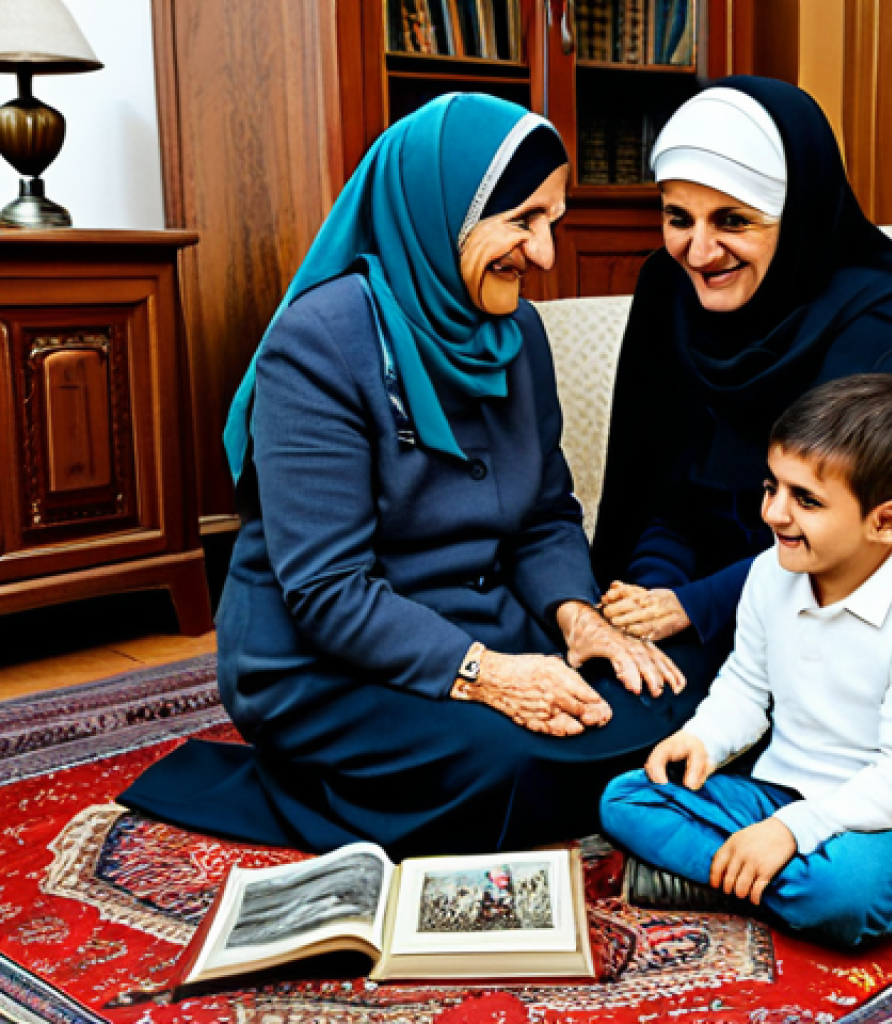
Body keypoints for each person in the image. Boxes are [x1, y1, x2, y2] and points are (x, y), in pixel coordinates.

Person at [119, 93, 692, 860]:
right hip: (323, 662)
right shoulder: (318, 343)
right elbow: (326, 589)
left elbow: (546, 514)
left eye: (552, 222)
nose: (547, 254)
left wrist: (577, 617)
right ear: (442, 210)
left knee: (679, 696)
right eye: (523, 221)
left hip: (488, 624)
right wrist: (488, 676)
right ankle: (331, 780)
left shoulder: (517, 330)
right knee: (514, 761)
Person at [592, 77, 892, 827]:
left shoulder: (890, 336)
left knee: (627, 745)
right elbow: (665, 483)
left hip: (866, 608)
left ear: (795, 215)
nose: (698, 250)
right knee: (605, 711)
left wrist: (690, 606)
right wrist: (648, 598)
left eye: (733, 219)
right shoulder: (670, 292)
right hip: (731, 595)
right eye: (676, 217)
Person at [601, 375, 892, 948]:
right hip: (778, 790)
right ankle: (755, 876)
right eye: (771, 486)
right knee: (625, 798)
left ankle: (719, 876)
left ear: (886, 521)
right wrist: (702, 739)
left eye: (806, 500)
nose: (774, 513)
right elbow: (746, 688)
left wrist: (790, 831)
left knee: (847, 896)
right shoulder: (770, 573)